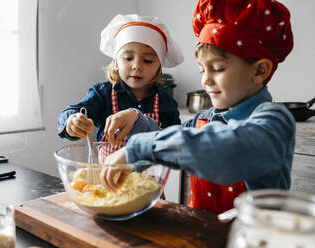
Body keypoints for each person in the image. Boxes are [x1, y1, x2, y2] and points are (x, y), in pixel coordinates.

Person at [100, 0, 295, 214]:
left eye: (217, 69)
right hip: (202, 235)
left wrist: (137, 148)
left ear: (260, 71)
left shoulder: (274, 121)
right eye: (203, 70)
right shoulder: (206, 118)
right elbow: (168, 140)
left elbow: (227, 149)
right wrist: (136, 118)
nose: (205, 81)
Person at [57, 14, 184, 160]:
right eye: (128, 58)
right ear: (116, 62)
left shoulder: (166, 102)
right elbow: (72, 111)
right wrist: (72, 121)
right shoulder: (102, 95)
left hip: (150, 179)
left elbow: (177, 143)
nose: (137, 66)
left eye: (148, 60)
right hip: (109, 178)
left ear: (159, 67)